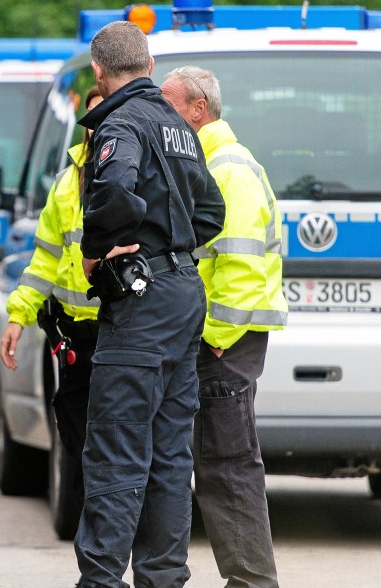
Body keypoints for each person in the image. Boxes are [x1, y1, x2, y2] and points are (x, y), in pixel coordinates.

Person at [73, 22, 225, 588]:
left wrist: (97, 253)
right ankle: (163, 579)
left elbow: (113, 192)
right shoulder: (176, 123)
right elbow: (211, 214)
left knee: (116, 449)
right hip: (184, 298)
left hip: (142, 307)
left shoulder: (122, 122)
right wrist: (171, 245)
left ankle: (103, 581)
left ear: (98, 71)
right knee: (168, 456)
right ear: (150, 63)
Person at [161, 66, 287, 588]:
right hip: (221, 340)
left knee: (228, 471)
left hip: (223, 342)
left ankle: (253, 583)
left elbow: (238, 268)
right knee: (221, 468)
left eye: (166, 104)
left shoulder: (225, 170)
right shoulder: (212, 163)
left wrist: (211, 339)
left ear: (197, 109)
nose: (158, 115)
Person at [0, 87, 102, 516]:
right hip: (77, 334)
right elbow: (44, 259)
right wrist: (18, 314)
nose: (102, 126)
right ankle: (88, 530)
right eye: (95, 119)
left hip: (129, 332)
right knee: (75, 434)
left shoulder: (143, 171)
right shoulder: (67, 183)